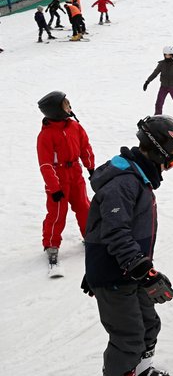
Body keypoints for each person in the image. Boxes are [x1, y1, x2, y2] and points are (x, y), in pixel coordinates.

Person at [82, 115, 173, 376]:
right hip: (116, 274)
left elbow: (101, 226)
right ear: (157, 152)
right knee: (128, 337)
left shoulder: (137, 179)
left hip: (127, 270)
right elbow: (115, 231)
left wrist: (141, 270)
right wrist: (143, 272)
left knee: (149, 325)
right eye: (172, 159)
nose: (170, 166)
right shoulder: (124, 183)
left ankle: (140, 370)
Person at [37, 91, 94, 270]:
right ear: (55, 111)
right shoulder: (46, 135)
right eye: (66, 106)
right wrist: (54, 188)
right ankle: (51, 244)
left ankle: (90, 236)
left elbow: (85, 146)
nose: (70, 108)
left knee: (85, 207)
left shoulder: (75, 127)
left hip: (75, 173)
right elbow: (46, 165)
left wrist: (91, 167)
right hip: (58, 177)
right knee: (57, 213)